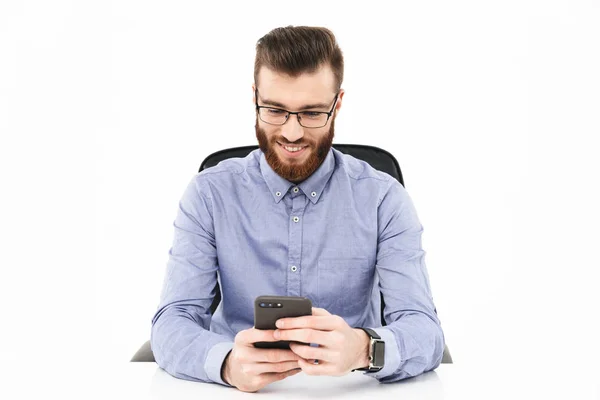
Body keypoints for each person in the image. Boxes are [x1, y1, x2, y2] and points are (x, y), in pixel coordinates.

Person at [150, 25, 445, 393]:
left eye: (311, 113)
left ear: (337, 105)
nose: (291, 133)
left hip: (351, 389)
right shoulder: (209, 195)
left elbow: (424, 329)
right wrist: (226, 363)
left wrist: (364, 349)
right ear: (255, 97)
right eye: (275, 110)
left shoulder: (384, 198)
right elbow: (171, 323)